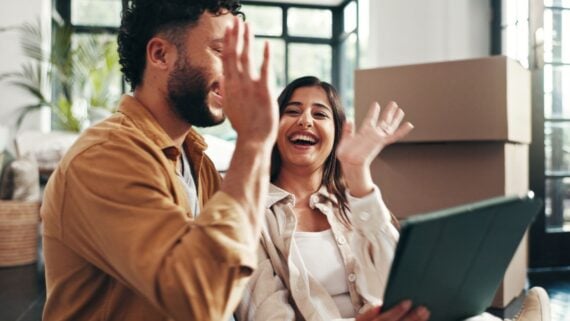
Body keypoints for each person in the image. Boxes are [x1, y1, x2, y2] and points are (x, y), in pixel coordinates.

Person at [236, 76, 551, 321]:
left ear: (334, 136)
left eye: (320, 114)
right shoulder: (250, 214)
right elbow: (267, 313)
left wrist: (359, 176)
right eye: (292, 111)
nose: (305, 120)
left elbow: (400, 282)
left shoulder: (352, 202)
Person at [40, 0, 277, 320]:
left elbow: (229, 283)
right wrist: (253, 139)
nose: (233, 77)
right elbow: (200, 297)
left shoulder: (199, 163)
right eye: (222, 53)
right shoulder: (103, 159)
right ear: (160, 54)